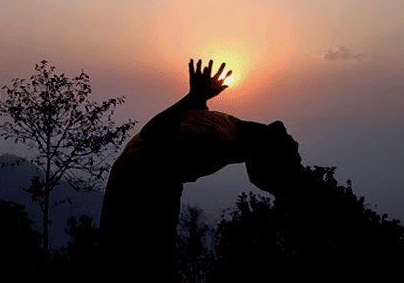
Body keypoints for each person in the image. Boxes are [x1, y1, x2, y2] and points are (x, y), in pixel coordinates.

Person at [99, 59, 300, 282]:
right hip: (140, 179)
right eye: (291, 146)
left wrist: (196, 99)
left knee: (142, 267)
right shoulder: (222, 139)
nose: (288, 134)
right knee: (145, 270)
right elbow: (153, 132)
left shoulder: (221, 139)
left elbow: (163, 132)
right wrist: (196, 99)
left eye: (289, 145)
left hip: (144, 179)